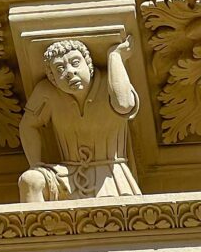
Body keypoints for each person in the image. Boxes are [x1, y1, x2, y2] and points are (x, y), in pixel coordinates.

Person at [18, 38, 140, 201]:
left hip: (111, 174)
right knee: (30, 180)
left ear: (88, 64)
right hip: (67, 176)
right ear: (53, 78)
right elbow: (27, 125)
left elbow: (124, 105)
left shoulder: (107, 83)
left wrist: (115, 57)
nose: (69, 72)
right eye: (60, 68)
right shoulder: (46, 92)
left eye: (75, 62)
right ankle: (39, 226)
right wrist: (35, 164)